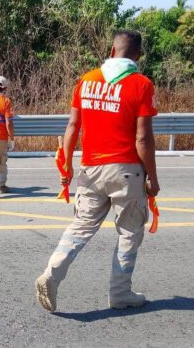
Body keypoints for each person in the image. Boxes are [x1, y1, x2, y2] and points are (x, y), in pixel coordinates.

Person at [35, 30, 160, 312]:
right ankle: (120, 294)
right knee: (129, 232)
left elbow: (71, 128)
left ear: (111, 50)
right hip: (126, 171)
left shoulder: (87, 81)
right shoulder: (141, 84)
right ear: (138, 55)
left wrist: (65, 167)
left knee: (80, 227)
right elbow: (143, 139)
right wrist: (153, 177)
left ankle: (51, 275)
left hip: (90, 169)